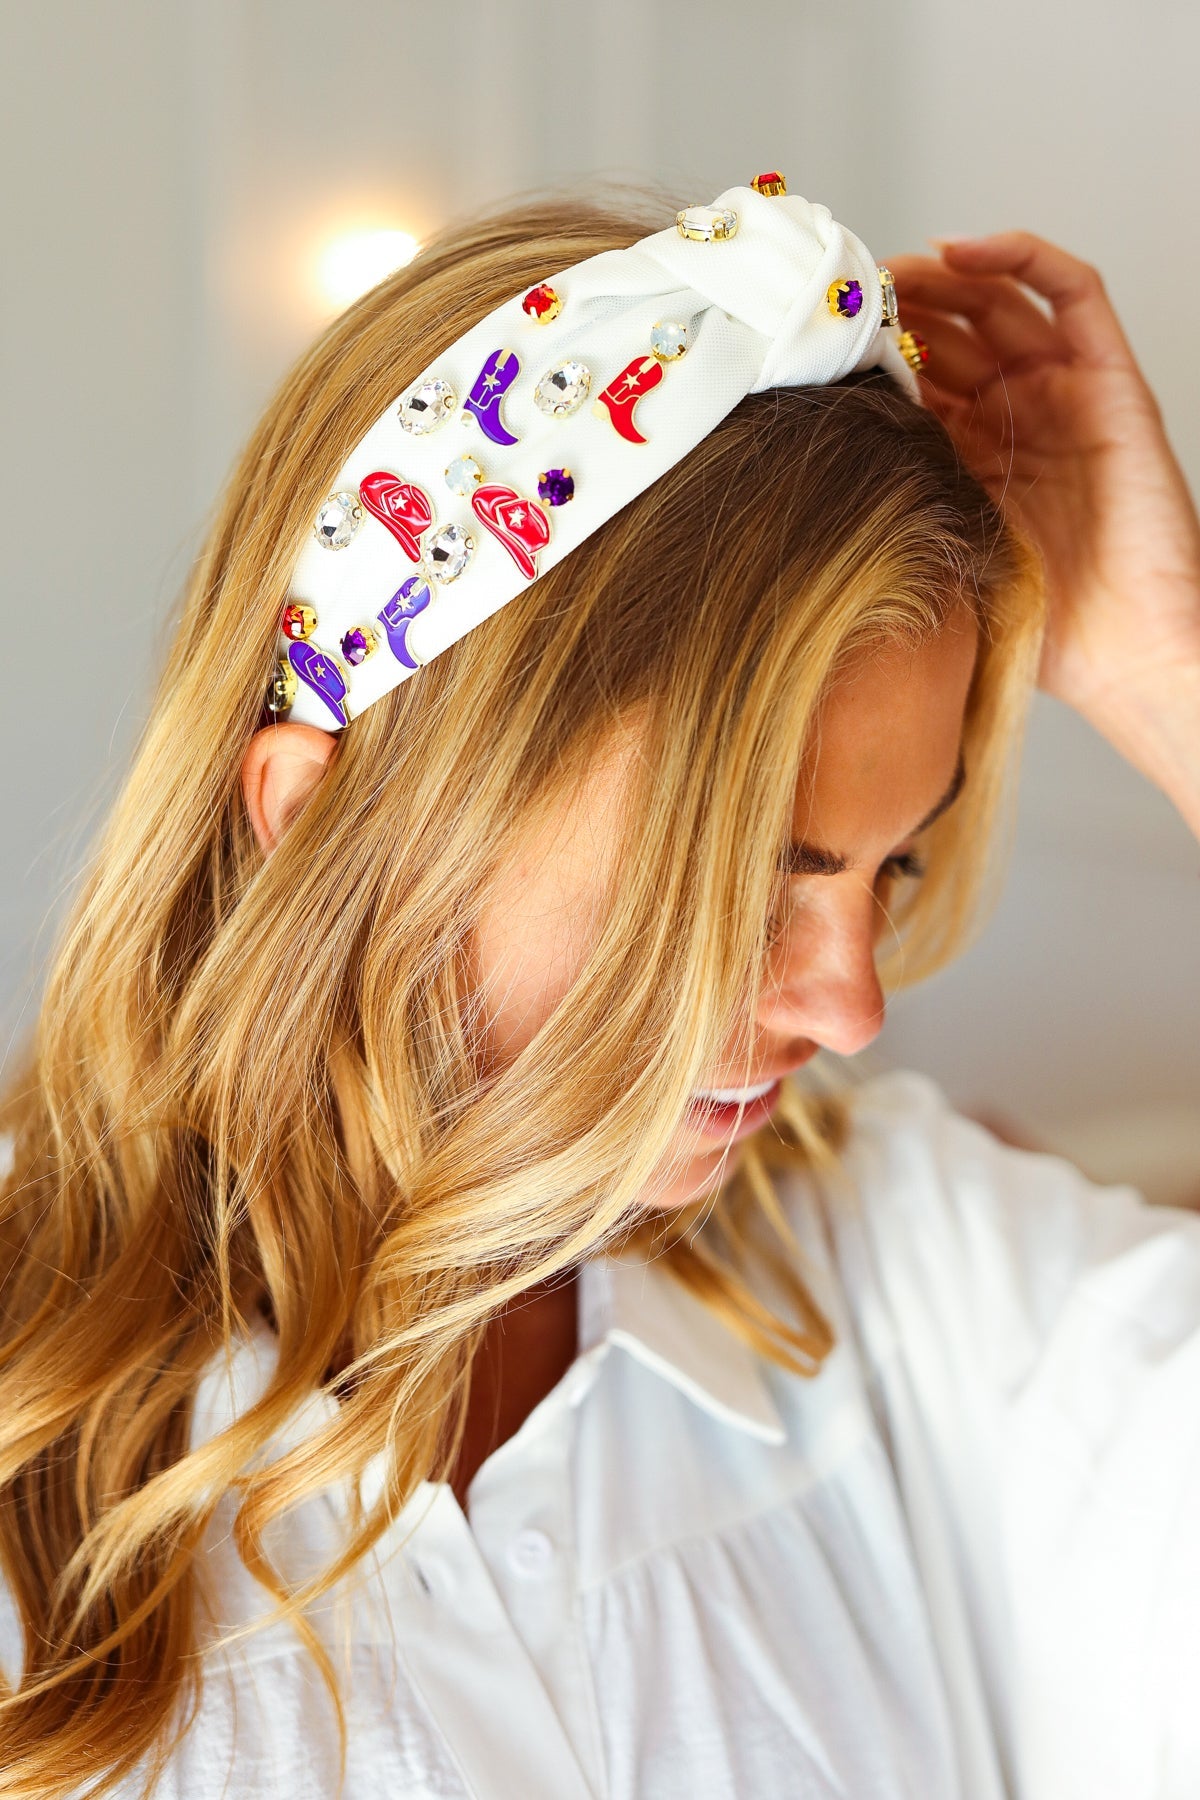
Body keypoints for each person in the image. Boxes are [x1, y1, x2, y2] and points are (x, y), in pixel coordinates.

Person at [0, 173, 1197, 1800]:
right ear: (328, 833)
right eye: (738, 883)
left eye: (886, 869)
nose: (852, 1010)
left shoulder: (896, 1279)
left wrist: (1167, 670)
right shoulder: (33, 1473)